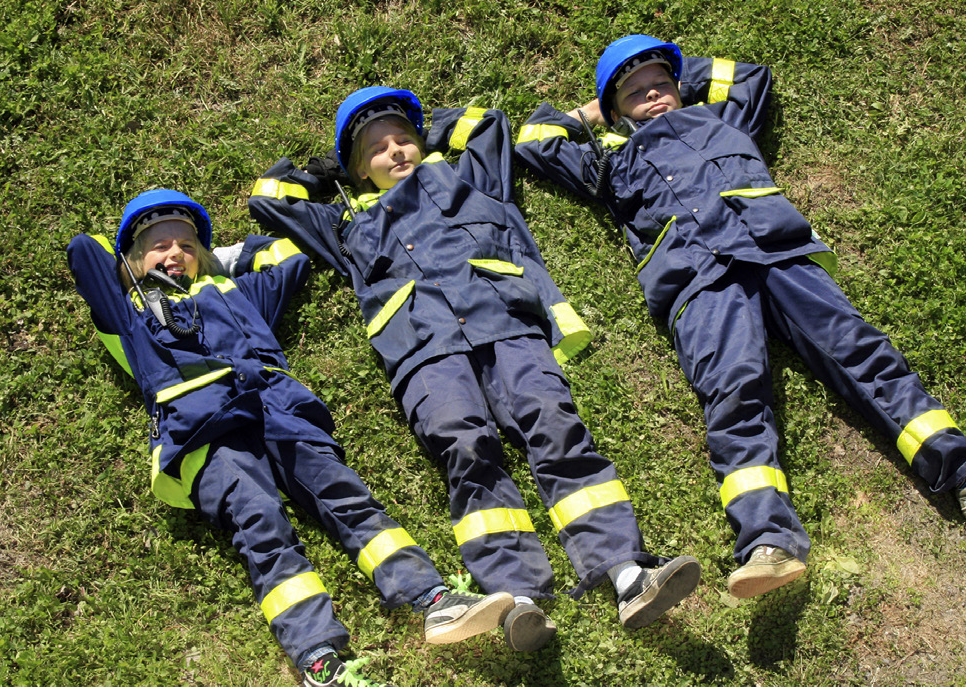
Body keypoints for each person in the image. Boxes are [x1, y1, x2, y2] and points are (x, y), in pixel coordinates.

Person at [514, 35, 966, 600]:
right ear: (614, 109)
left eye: (660, 84)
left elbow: (750, 74)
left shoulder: (724, 118)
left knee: (859, 350)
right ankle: (766, 542)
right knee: (734, 394)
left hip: (777, 250)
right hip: (698, 281)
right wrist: (598, 107)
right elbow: (534, 138)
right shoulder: (609, 160)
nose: (652, 95)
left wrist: (670, 74)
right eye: (636, 92)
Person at [246, 87, 701, 652]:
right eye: (377, 149)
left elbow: (487, 122)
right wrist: (330, 171)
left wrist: (427, 132)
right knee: (466, 450)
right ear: (358, 169)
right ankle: (516, 598)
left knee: (557, 426)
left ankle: (627, 572)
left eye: (402, 139)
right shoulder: (344, 225)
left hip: (506, 325)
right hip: (424, 353)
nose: (396, 151)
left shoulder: (471, 179)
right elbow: (269, 197)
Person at [67, 188, 517, 687]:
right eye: (158, 246)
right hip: (204, 428)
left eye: (186, 244)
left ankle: (432, 599)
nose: (174, 254)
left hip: (279, 408)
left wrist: (220, 257)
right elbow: (84, 249)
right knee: (263, 526)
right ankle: (319, 658)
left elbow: (288, 254)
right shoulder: (128, 312)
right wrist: (132, 269)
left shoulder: (235, 292)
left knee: (347, 497)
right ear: (133, 260)